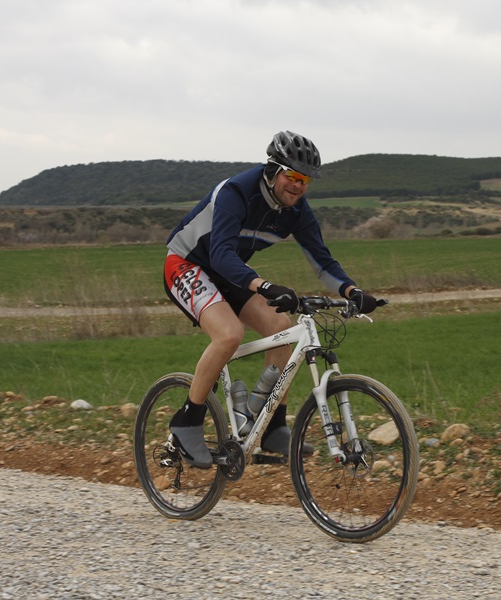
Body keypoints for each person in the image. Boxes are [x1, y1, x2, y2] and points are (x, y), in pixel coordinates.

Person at [162, 130, 380, 468]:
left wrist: (352, 291)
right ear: (272, 170)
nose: (298, 186)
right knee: (229, 334)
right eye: (292, 176)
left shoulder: (296, 210)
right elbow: (220, 254)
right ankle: (187, 421)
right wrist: (264, 285)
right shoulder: (237, 192)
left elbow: (322, 260)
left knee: (281, 325)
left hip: (230, 271)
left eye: (305, 180)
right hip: (187, 264)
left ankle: (273, 426)